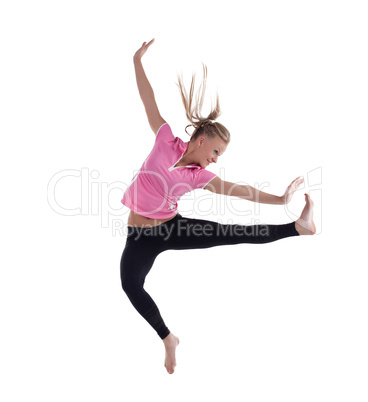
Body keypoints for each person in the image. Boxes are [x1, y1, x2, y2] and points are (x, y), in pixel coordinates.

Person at [120, 39, 316, 375]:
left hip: (172, 228)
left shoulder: (200, 177)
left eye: (219, 156)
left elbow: (240, 191)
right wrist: (136, 60)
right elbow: (147, 99)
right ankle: (168, 338)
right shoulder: (165, 139)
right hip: (138, 235)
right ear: (201, 140)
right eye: (216, 151)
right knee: (129, 284)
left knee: (234, 233)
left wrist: (281, 200)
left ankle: (297, 227)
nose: (215, 158)